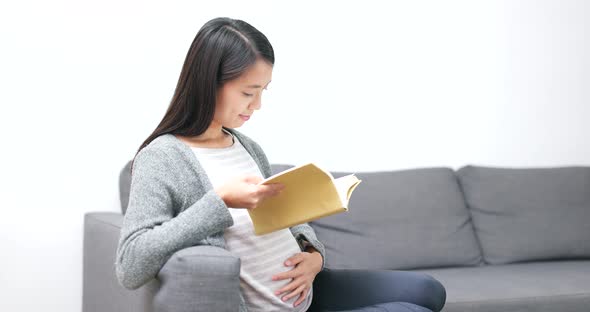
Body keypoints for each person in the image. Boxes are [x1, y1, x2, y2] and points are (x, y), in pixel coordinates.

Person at [115, 17, 446, 312]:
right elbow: (130, 264)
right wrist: (219, 202)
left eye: (263, 91)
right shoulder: (161, 158)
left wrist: (314, 256)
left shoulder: (246, 146)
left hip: (309, 291)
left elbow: (285, 218)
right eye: (249, 92)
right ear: (209, 83)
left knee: (429, 291)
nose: (257, 105)